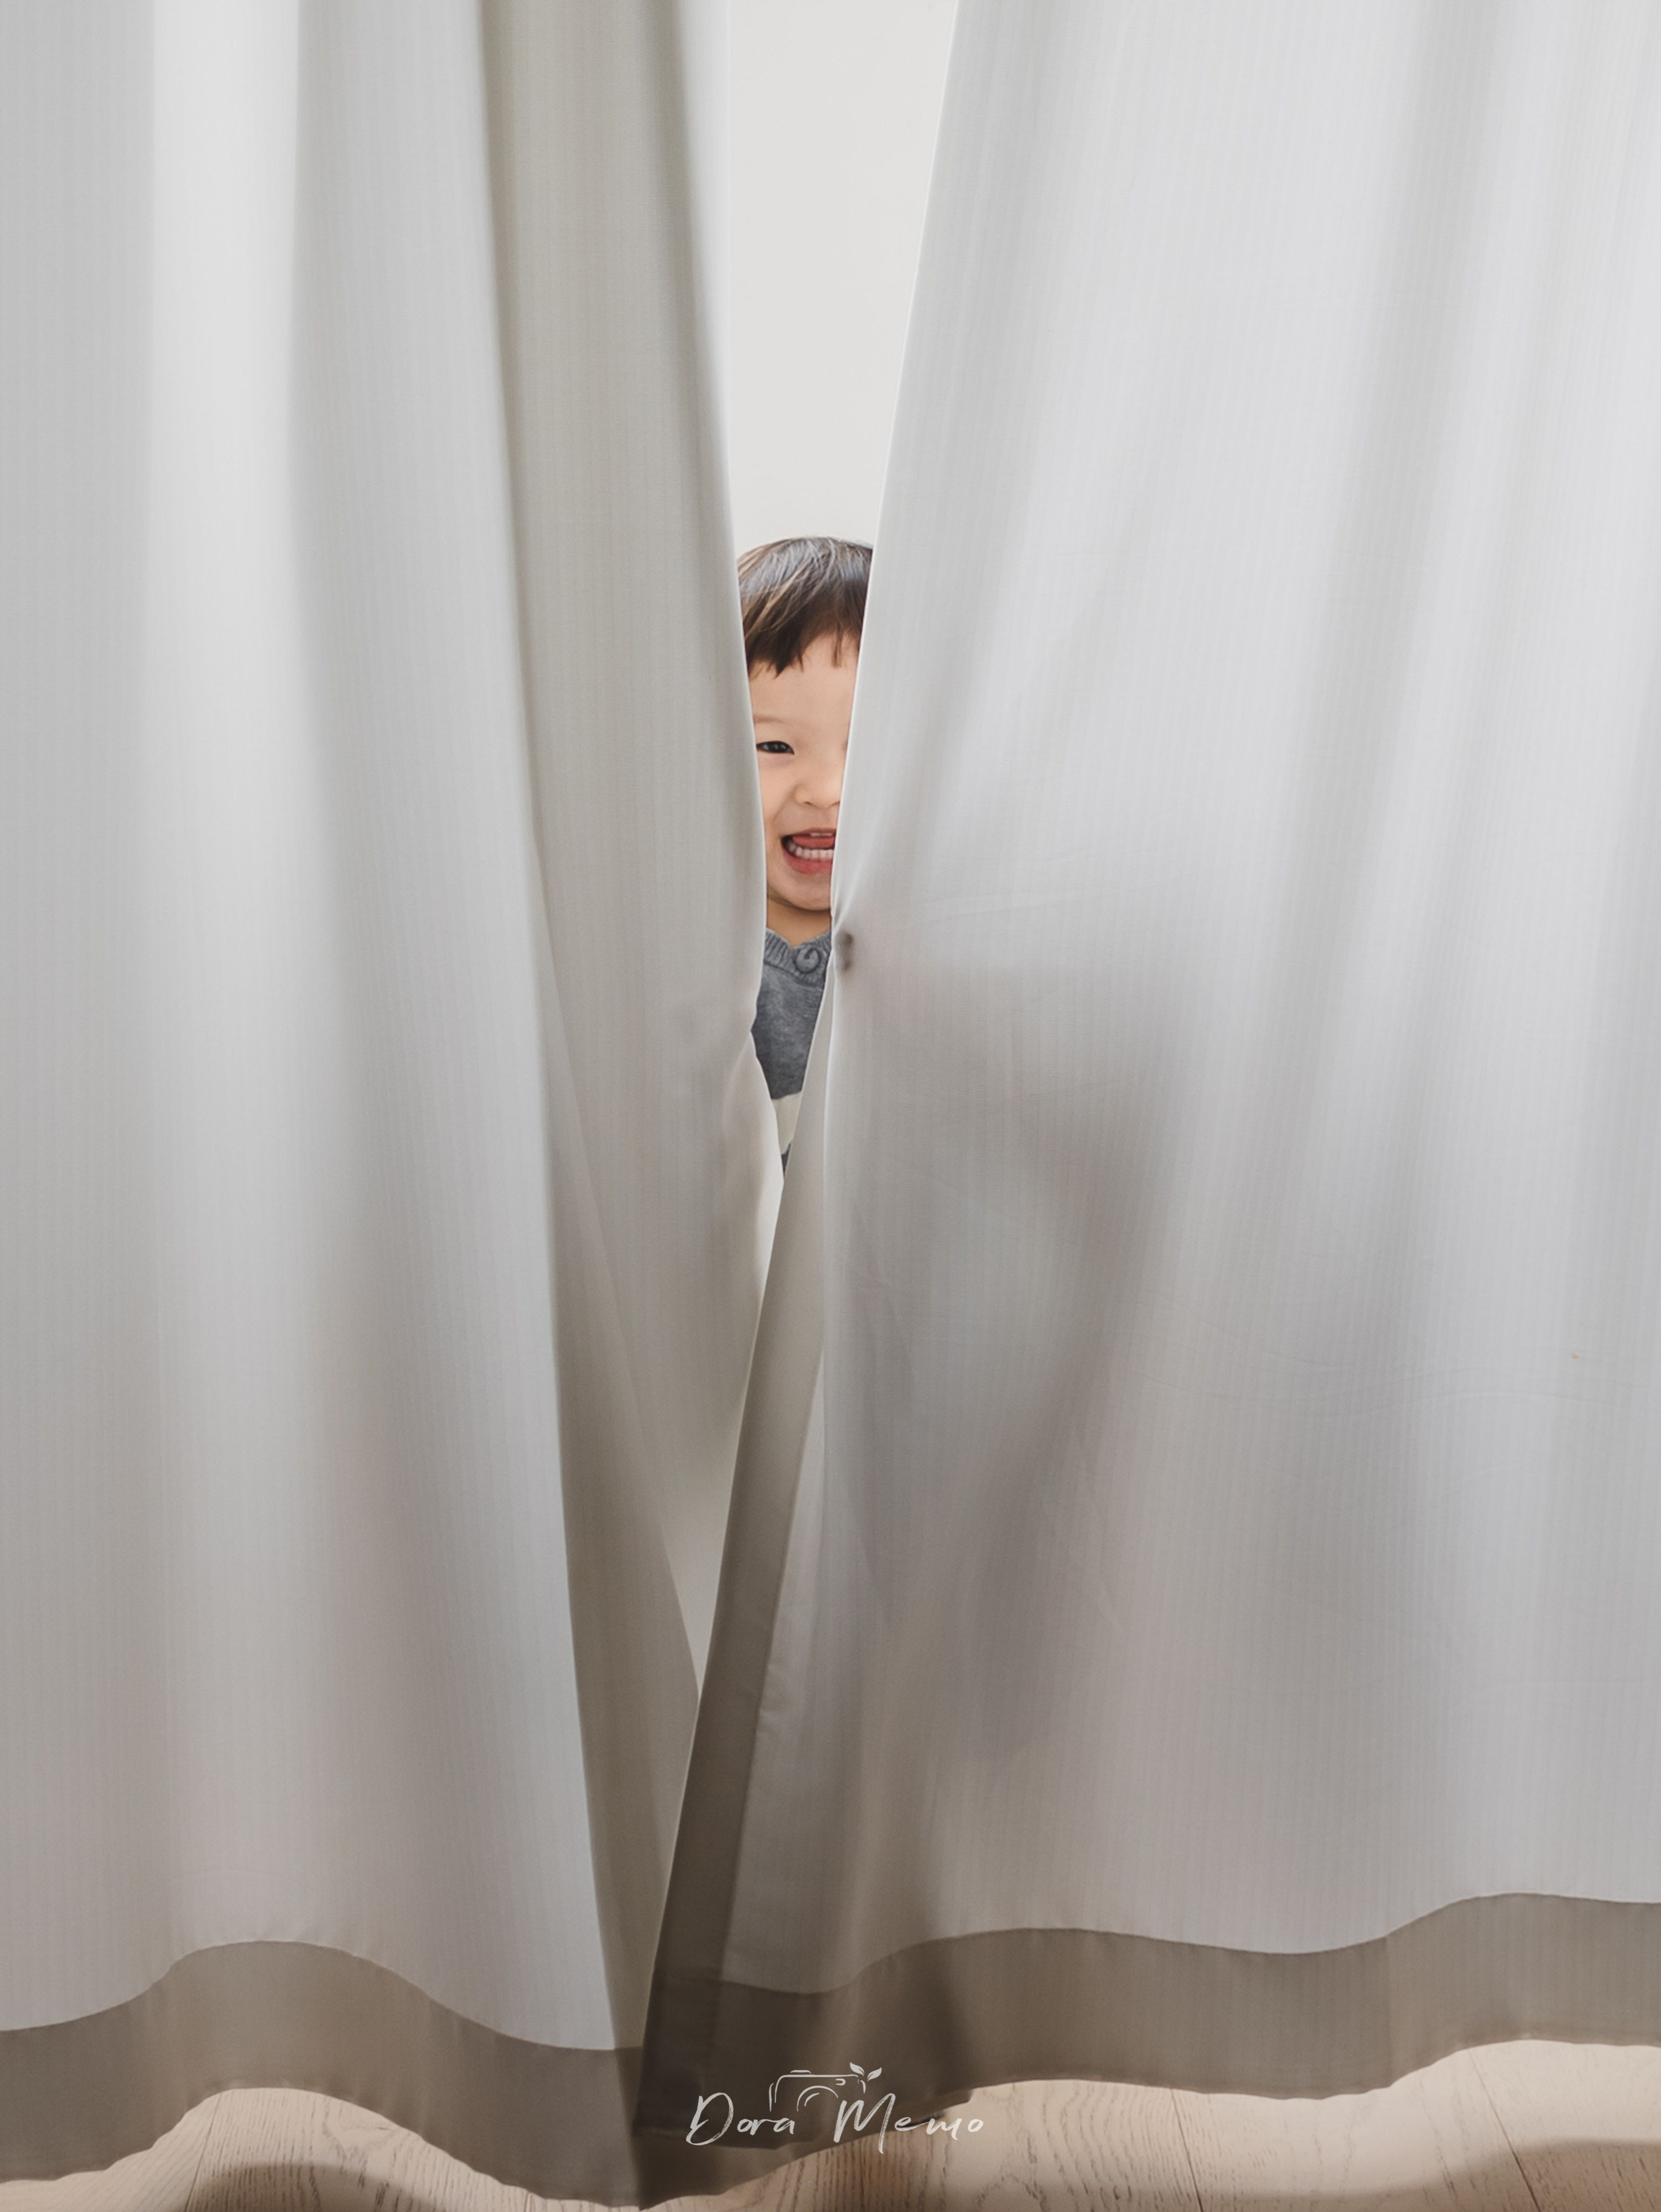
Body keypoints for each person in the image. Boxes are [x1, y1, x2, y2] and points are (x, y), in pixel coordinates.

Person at [740, 536, 871, 1155]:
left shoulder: (920, 955)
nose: (825, 791)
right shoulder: (695, 968)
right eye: (774, 747)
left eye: (863, 745)